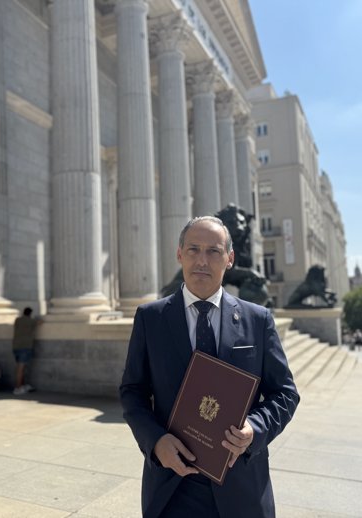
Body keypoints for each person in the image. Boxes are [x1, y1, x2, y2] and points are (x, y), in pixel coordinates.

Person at [120, 216, 300, 518]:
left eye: (214, 251)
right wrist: (155, 441)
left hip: (241, 483)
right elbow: (132, 392)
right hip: (172, 486)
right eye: (193, 249)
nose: (202, 260)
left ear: (229, 259)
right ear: (179, 254)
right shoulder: (150, 318)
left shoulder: (258, 320)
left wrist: (255, 429)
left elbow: (285, 393)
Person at [12, 307, 40, 395]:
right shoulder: (31, 321)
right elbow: (40, 322)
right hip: (25, 346)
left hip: (16, 346)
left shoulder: (17, 320)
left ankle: (22, 386)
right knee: (21, 369)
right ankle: (18, 388)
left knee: (21, 368)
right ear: (30, 314)